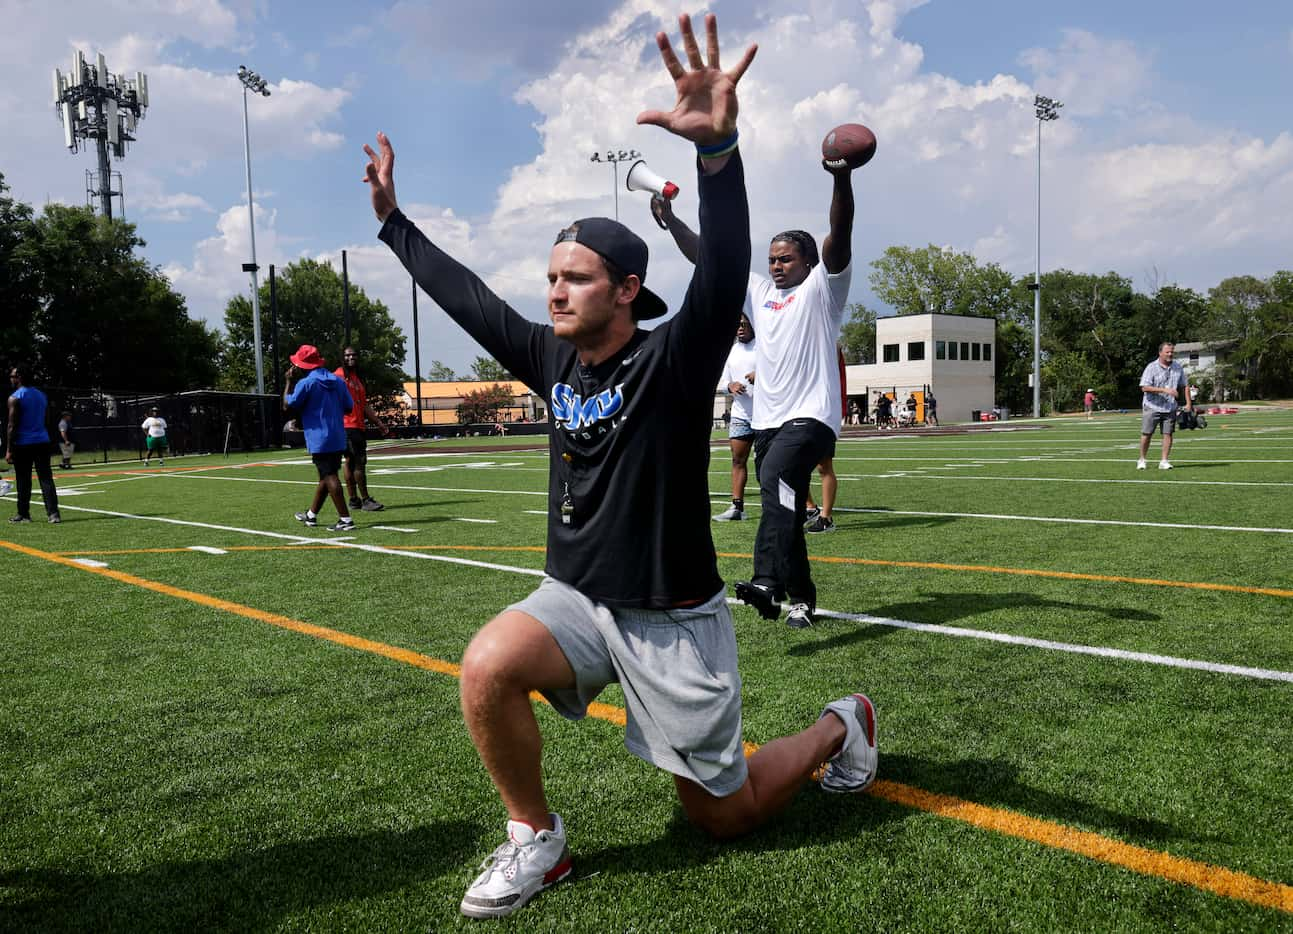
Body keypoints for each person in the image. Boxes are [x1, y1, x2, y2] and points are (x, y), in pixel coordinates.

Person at [367, 14, 877, 920]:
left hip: (671, 620)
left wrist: (718, 151)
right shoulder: (552, 354)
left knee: (723, 818)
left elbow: (721, 267)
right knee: (486, 666)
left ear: (628, 290)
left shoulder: (674, 358)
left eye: (577, 278)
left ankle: (841, 723)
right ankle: (536, 838)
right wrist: (394, 225)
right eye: (552, 276)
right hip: (576, 599)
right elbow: (467, 297)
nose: (554, 291)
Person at [655, 128, 857, 632]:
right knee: (782, 500)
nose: (776, 265)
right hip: (767, 420)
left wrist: (842, 179)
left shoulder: (822, 290)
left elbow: (841, 232)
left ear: (808, 262)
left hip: (810, 418)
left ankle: (766, 580)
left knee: (774, 482)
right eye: (772, 259)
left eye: (785, 258)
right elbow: (708, 257)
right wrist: (673, 223)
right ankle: (801, 599)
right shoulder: (761, 293)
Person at [284, 345, 355, 530]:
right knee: (326, 475)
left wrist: (288, 382)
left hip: (319, 437)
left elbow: (287, 404)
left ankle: (346, 520)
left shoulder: (306, 383)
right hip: (338, 435)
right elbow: (349, 407)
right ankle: (311, 515)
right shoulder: (338, 381)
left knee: (329, 476)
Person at [335, 346, 392, 511]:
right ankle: (365, 500)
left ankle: (353, 500)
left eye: (354, 354)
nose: (351, 357)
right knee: (358, 463)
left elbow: (364, 406)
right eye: (347, 355)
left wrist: (379, 423)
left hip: (357, 426)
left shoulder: (356, 379)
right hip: (347, 426)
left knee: (350, 462)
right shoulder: (338, 376)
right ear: (342, 358)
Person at [712, 311, 756, 521]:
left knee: (771, 464)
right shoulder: (732, 351)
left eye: (744, 324)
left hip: (767, 414)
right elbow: (722, 382)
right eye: (737, 324)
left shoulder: (765, 347)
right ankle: (737, 508)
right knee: (738, 460)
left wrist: (762, 375)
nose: (740, 327)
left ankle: (799, 506)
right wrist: (730, 386)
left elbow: (781, 372)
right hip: (740, 415)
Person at [6, 366, 61, 523]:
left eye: (13, 376)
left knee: (23, 480)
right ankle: (53, 514)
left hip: (23, 444)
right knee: (46, 478)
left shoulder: (15, 397)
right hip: (42, 441)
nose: (11, 379)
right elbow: (47, 419)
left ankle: (23, 514)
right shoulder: (41, 395)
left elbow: (12, 425)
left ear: (20, 377)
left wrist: (9, 449)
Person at [1137, 341, 1192, 470]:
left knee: (1168, 434)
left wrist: (1189, 403)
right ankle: (1142, 459)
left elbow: (1185, 385)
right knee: (1147, 433)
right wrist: (1164, 390)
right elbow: (1144, 387)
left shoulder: (1178, 367)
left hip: (1170, 407)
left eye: (1172, 352)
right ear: (1160, 353)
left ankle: (1164, 461)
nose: (1170, 354)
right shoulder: (1151, 367)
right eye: (1167, 352)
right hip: (1152, 406)